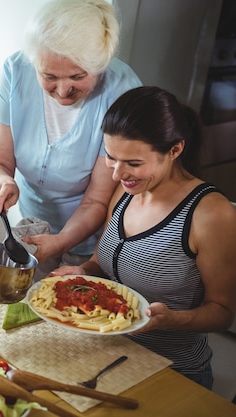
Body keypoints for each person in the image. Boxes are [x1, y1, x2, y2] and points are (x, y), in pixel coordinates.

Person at [52, 86, 236, 389]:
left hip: (174, 372)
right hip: (108, 358)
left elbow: (223, 313)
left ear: (175, 150)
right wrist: (82, 272)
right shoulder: (125, 192)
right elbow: (102, 259)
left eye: (134, 163)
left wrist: (172, 319)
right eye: (111, 158)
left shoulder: (210, 213)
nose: (117, 174)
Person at [0, 0, 142, 280]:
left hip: (92, 239)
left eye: (78, 77)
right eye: (49, 76)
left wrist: (62, 241)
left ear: (100, 66)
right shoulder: (15, 71)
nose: (63, 91)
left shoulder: (122, 91)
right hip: (33, 228)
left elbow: (97, 200)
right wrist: (3, 181)